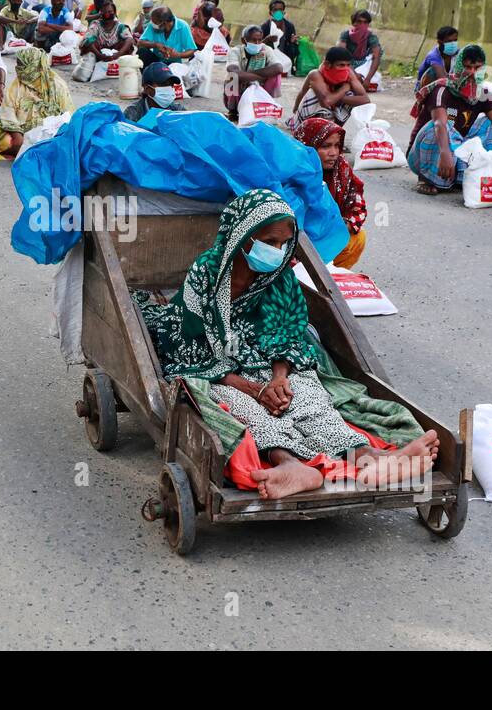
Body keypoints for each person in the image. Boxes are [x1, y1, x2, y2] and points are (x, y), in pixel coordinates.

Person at [134, 189, 438, 500]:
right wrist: (254, 390)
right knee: (240, 407)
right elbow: (187, 346)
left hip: (267, 361)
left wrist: (279, 379)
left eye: (283, 243)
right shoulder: (206, 276)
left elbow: (289, 332)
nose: (277, 251)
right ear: (242, 238)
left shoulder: (278, 278)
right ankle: (290, 464)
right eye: (269, 242)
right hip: (220, 371)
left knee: (308, 394)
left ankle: (368, 457)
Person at [408, 43, 492, 195]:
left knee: (491, 123)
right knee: (440, 126)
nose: (472, 73)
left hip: (455, 145)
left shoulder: (483, 94)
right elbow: (439, 123)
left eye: (477, 68)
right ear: (459, 68)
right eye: (468, 67)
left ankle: (487, 175)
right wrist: (445, 153)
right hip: (424, 152)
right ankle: (427, 178)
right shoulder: (442, 89)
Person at [0, 47, 73, 161]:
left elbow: (66, 116)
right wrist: (16, 134)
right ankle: (30, 152)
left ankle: (28, 152)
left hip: (48, 133)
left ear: (32, 66)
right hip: (20, 131)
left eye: (21, 65)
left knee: (61, 141)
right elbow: (8, 112)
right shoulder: (17, 85)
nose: (18, 68)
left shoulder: (57, 86)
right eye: (17, 64)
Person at [299, 118, 367, 268]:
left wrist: (346, 224)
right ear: (308, 146)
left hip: (327, 235)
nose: (333, 153)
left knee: (358, 237)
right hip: (299, 243)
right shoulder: (295, 172)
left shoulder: (341, 168)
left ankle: (330, 280)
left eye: (337, 146)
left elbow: (357, 204)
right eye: (325, 146)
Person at [291, 46, 369, 126]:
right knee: (313, 93)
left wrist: (337, 98)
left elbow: (365, 99)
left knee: (351, 95)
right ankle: (307, 127)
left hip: (332, 112)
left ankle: (334, 128)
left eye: (348, 65)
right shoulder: (316, 74)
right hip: (311, 118)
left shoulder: (349, 72)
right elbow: (326, 102)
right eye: (341, 65)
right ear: (327, 64)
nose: (345, 69)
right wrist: (344, 89)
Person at [224, 25, 289, 121]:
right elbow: (234, 71)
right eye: (254, 40)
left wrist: (250, 75)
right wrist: (259, 77)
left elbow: (279, 68)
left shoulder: (266, 50)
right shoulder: (235, 51)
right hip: (241, 89)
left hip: (259, 88)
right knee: (231, 77)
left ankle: (265, 103)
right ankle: (233, 111)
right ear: (243, 40)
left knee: (276, 75)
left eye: (260, 40)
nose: (257, 43)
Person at [78, 0, 133, 69]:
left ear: (115, 12)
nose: (107, 14)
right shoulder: (95, 24)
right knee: (89, 42)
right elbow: (88, 39)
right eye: (104, 12)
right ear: (101, 13)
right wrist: (100, 55)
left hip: (116, 55)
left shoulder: (120, 26)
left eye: (110, 12)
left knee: (127, 44)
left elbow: (129, 39)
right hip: (98, 54)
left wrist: (118, 54)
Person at [339, 9, 382, 90]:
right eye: (359, 22)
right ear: (353, 23)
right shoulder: (345, 35)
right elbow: (341, 55)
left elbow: (376, 57)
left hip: (364, 65)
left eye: (365, 22)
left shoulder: (371, 37)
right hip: (348, 64)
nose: (362, 25)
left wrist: (368, 79)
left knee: (369, 80)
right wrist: (354, 74)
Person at [417, 25, 459, 91]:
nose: (453, 44)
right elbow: (442, 79)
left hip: (449, 86)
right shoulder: (433, 56)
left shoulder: (458, 54)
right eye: (449, 41)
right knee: (433, 72)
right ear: (439, 42)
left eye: (455, 40)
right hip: (426, 89)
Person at [261, 0, 298, 72]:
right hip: (270, 63)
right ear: (270, 12)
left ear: (284, 12)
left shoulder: (289, 26)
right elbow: (258, 47)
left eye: (280, 10)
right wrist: (267, 40)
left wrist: (292, 42)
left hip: (286, 63)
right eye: (275, 10)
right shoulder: (265, 27)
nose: (278, 12)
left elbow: (294, 52)